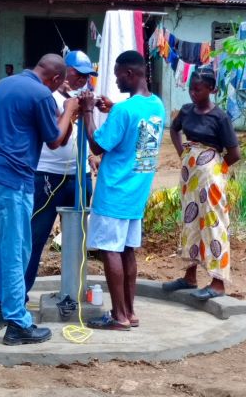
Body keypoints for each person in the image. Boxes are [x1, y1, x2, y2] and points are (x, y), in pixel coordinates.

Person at [0, 54, 79, 345]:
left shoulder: (3, 85)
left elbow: (24, 125)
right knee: (17, 249)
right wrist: (69, 108)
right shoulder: (42, 94)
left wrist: (61, 111)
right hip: (11, 179)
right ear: (56, 79)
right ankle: (18, 323)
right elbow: (55, 140)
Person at [79, 50, 166, 330]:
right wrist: (113, 108)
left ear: (130, 74)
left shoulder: (124, 111)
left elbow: (97, 145)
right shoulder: (156, 106)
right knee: (128, 251)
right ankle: (130, 311)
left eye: (118, 76)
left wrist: (88, 111)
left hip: (114, 191)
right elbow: (133, 125)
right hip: (136, 193)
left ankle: (118, 317)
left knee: (109, 251)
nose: (115, 81)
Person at [24, 51, 99, 302]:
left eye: (88, 76)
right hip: (47, 175)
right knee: (35, 237)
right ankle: (19, 296)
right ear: (63, 73)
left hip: (79, 176)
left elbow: (88, 134)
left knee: (79, 238)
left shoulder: (86, 99)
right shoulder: (48, 96)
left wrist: (91, 156)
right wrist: (70, 108)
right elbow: (56, 134)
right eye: (79, 74)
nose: (84, 80)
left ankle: (74, 292)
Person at [162, 67, 241, 300]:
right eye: (190, 89)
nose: (193, 93)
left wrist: (215, 167)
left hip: (210, 178)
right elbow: (175, 130)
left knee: (214, 223)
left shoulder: (220, 117)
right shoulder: (187, 111)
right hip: (190, 176)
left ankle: (217, 284)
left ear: (211, 89)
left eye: (198, 89)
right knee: (190, 221)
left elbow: (235, 153)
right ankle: (190, 277)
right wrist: (182, 154)